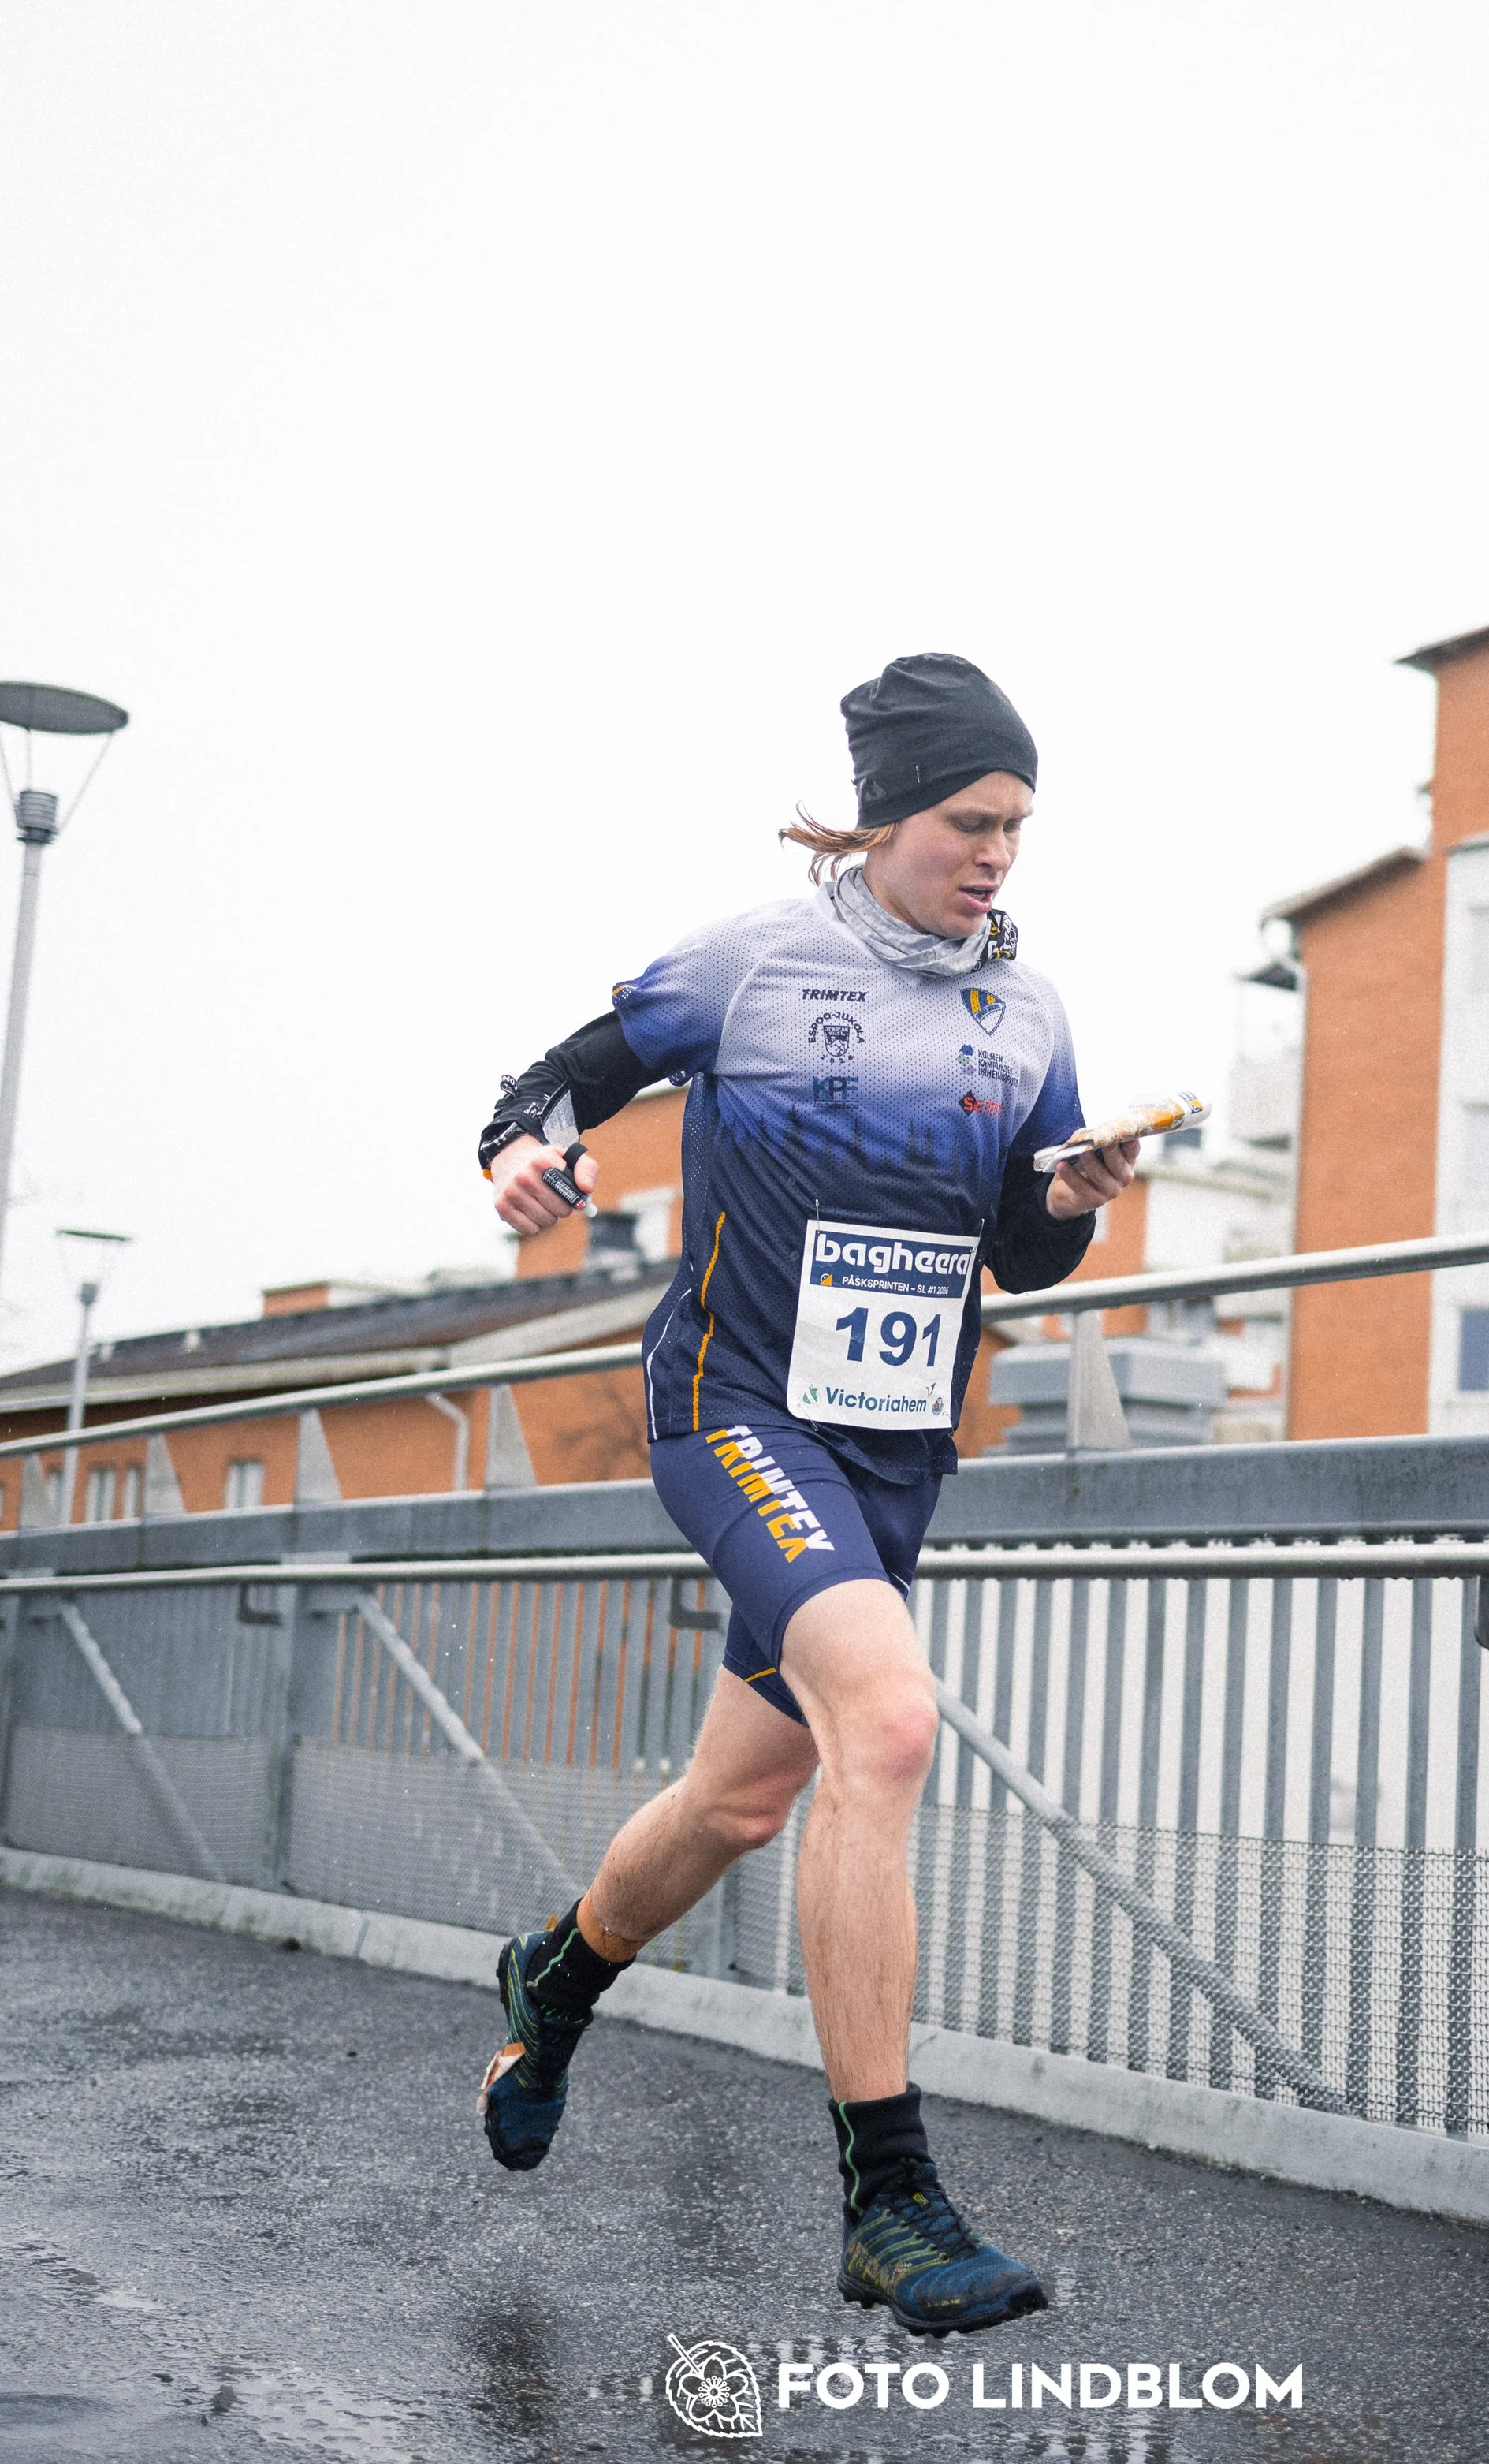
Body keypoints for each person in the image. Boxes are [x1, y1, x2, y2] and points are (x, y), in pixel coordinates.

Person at [473, 654, 1137, 2337]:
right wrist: (521, 1153)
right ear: (886, 814)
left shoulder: (1026, 1007)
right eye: (970, 821)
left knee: (740, 1797)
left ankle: (555, 1976)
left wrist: (1073, 1192)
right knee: (890, 1725)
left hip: (893, 1445)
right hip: (736, 1406)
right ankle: (889, 2196)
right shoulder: (750, 961)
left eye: (1017, 826)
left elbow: (1022, 1246)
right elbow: (550, 1081)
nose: (997, 854)